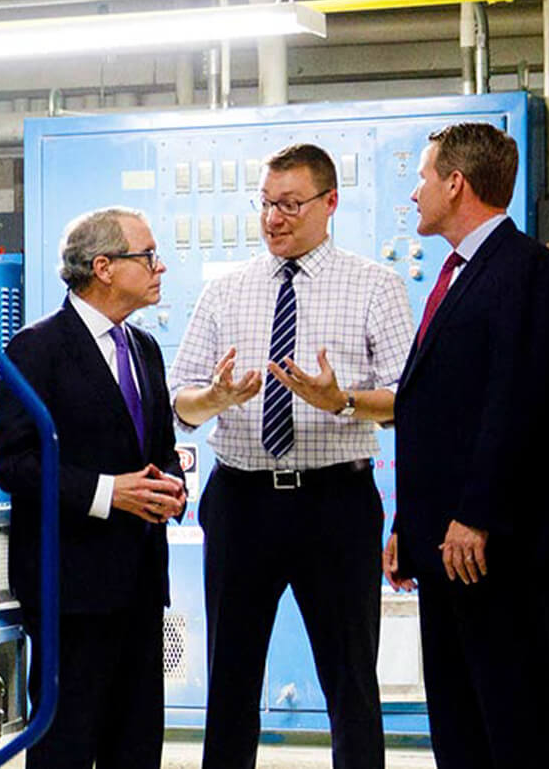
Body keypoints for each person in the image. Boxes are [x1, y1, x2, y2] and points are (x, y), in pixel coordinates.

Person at [169, 143, 414, 769]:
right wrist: (214, 398)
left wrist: (344, 401)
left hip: (335, 501)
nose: (274, 219)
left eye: (291, 205)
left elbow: (408, 399)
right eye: (266, 205)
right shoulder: (227, 292)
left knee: (350, 679)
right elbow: (178, 403)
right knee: (230, 679)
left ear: (330, 203)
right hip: (240, 500)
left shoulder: (374, 286)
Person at [383, 122, 549, 769]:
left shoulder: (523, 270)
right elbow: (433, 413)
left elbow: (516, 403)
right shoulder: (458, 273)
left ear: (455, 183)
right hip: (440, 543)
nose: (413, 194)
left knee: (508, 720)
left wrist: (476, 515)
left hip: (488, 550)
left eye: (423, 177)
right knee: (455, 723)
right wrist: (408, 521)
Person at [0, 207, 187, 769]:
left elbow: (161, 448)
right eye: (147, 256)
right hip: (70, 590)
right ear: (103, 267)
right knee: (67, 745)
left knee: (138, 744)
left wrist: (171, 486)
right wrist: (107, 493)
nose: (160, 267)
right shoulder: (37, 349)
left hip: (141, 585)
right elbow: (14, 462)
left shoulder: (144, 349)